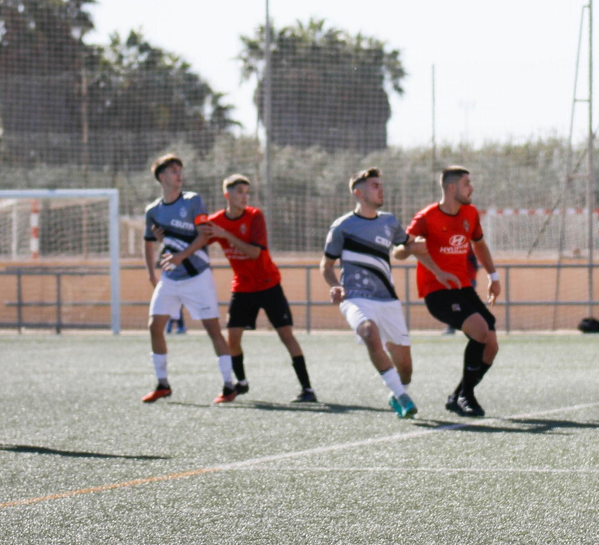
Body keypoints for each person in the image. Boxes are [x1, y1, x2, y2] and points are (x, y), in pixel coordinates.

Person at [163, 174, 315, 402]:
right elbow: (197, 240)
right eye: (239, 192)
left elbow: (255, 252)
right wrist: (168, 241)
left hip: (268, 284)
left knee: (286, 335)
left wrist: (226, 235)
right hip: (242, 287)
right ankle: (240, 384)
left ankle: (307, 389)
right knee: (232, 338)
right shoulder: (216, 221)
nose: (245, 197)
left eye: (247, 192)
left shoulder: (255, 216)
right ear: (227, 195)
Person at [406, 166, 502, 417]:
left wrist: (493, 276)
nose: (472, 188)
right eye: (467, 183)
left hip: (463, 288)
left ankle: (458, 395)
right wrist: (408, 247)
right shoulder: (426, 217)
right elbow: (401, 248)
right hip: (437, 292)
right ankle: (466, 398)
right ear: (452, 187)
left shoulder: (470, 213)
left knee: (491, 345)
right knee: (481, 331)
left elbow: (479, 245)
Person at [141, 154, 237, 404]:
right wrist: (152, 273)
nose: (179, 174)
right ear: (162, 177)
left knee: (213, 330)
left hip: (197, 275)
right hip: (170, 278)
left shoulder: (193, 200)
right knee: (154, 327)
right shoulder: (153, 210)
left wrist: (181, 255)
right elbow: (149, 242)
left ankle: (229, 386)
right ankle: (162, 384)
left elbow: (204, 235)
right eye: (173, 171)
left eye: (180, 170)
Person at [324, 167, 417, 418]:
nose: (381, 189)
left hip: (387, 299)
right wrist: (335, 284)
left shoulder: (389, 221)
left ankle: (397, 391)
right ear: (359, 192)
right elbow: (326, 266)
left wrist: (437, 266)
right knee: (368, 332)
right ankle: (402, 396)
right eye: (375, 185)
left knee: (406, 368)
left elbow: (408, 246)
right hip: (355, 297)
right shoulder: (342, 226)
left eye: (380, 185)